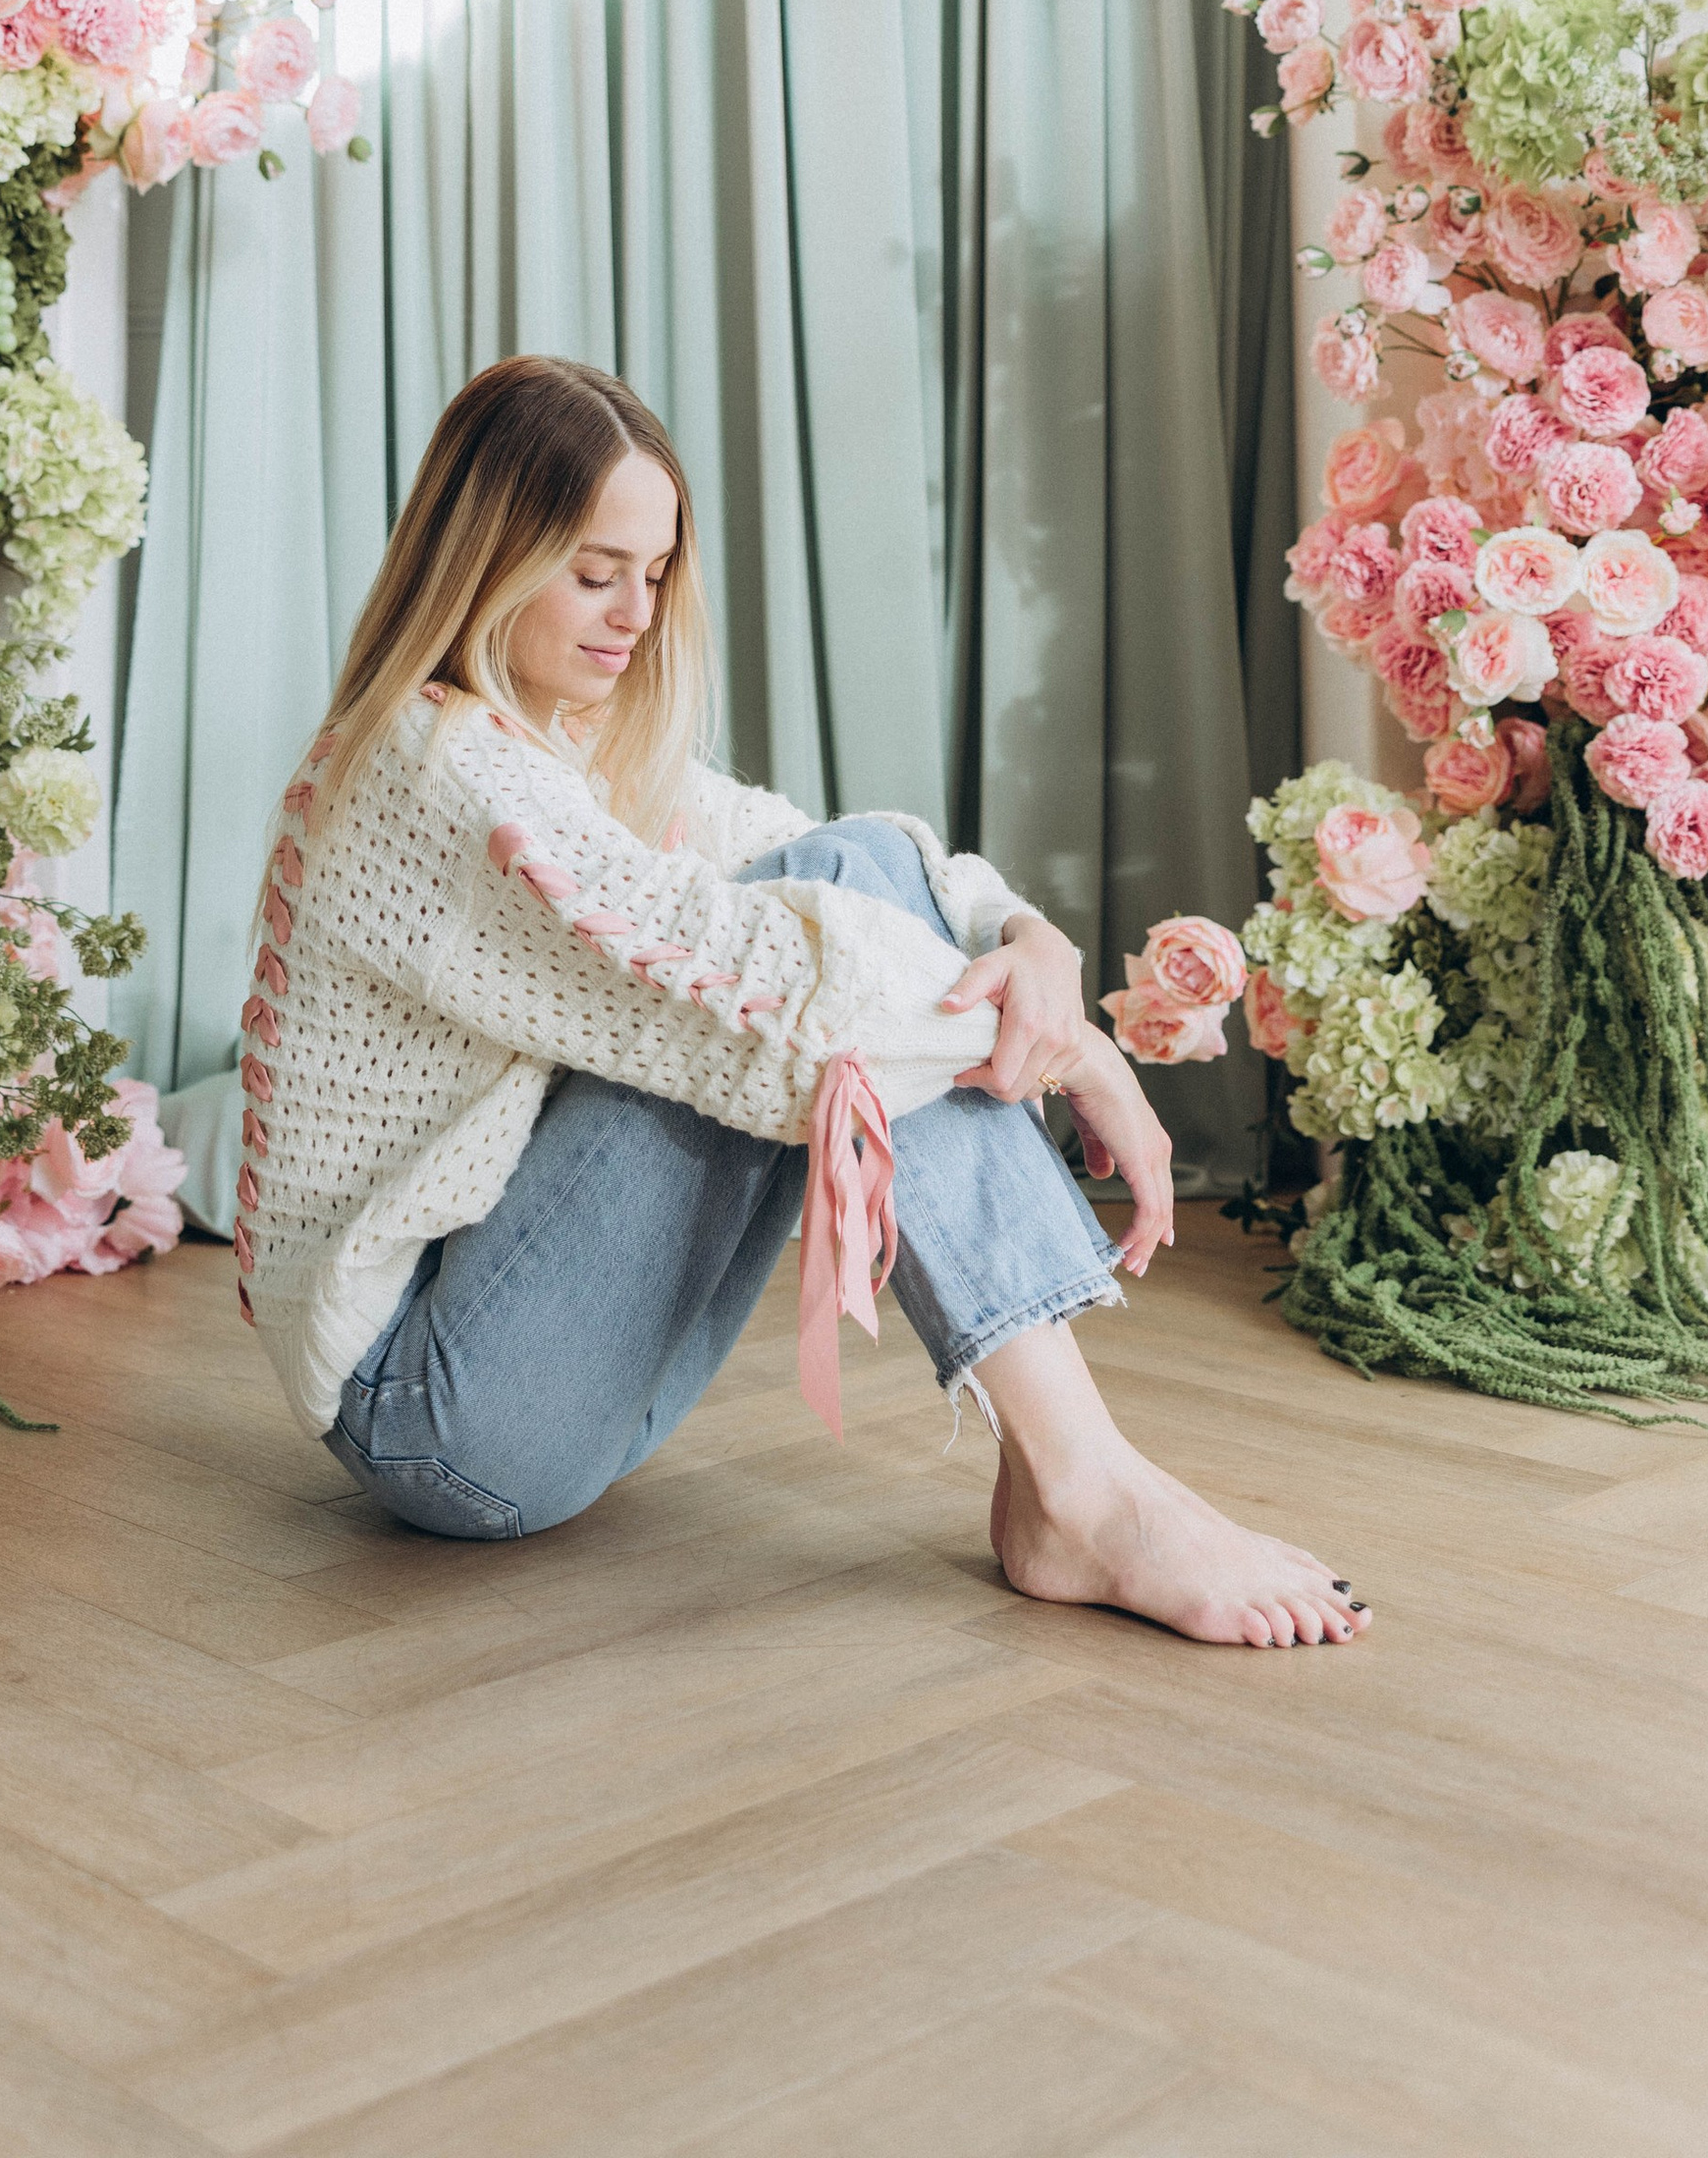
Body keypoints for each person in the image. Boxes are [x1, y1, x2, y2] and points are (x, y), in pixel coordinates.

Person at [232, 355, 1366, 1648]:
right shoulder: (433, 772)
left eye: (654, 577)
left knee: (855, 899)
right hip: (433, 1417)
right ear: (484, 556)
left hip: (523, 1390)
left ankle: (1080, 1483)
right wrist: (1080, 1058)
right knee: (821, 982)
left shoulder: (560, 738)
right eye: (594, 573)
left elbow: (854, 850)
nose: (633, 617)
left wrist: (1026, 936)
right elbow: (792, 989)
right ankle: (1086, 1487)